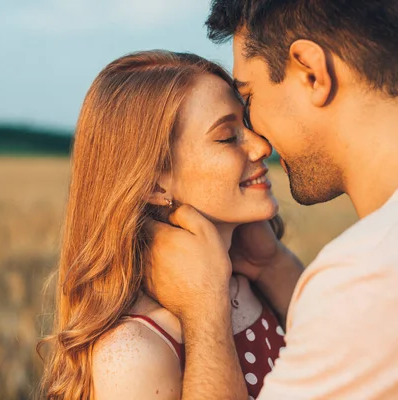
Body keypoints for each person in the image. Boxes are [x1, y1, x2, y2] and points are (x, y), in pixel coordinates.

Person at [147, 0, 398, 399]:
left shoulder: (379, 277)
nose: (258, 139)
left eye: (249, 97)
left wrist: (205, 315)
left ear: (312, 73)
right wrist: (276, 267)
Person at [38, 50, 301, 400]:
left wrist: (272, 264)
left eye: (247, 125)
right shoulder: (133, 352)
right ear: (155, 183)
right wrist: (205, 310)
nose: (261, 146)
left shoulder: (252, 284)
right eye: (227, 137)